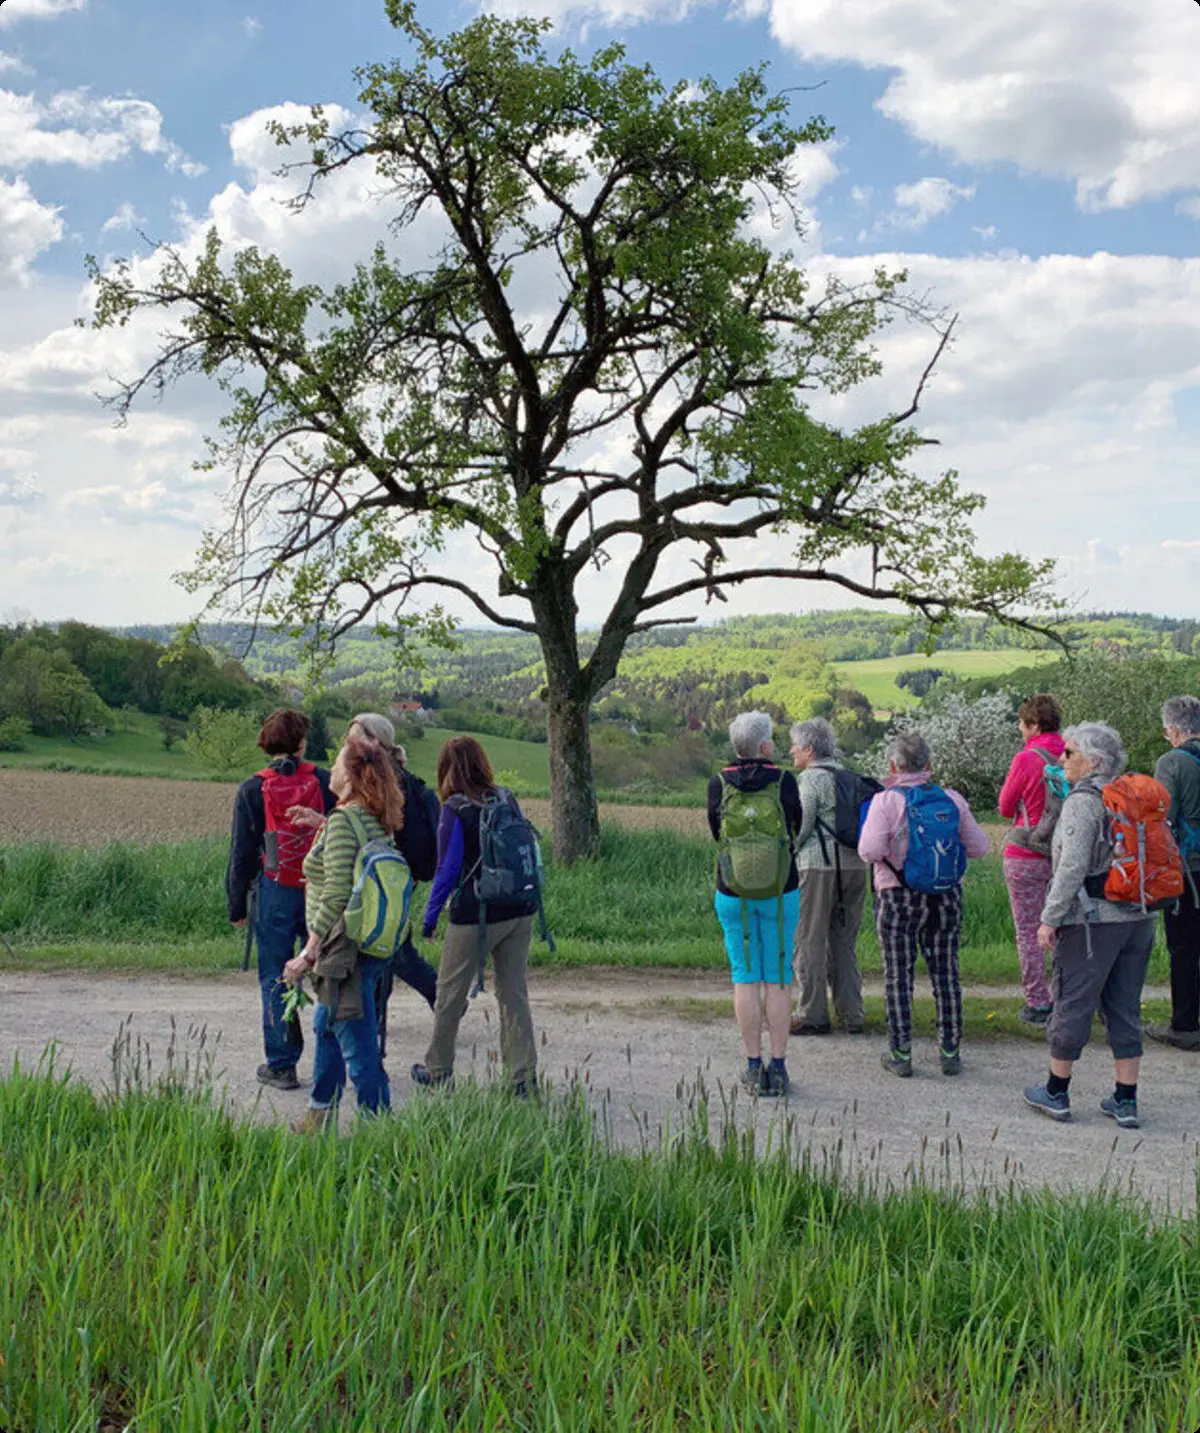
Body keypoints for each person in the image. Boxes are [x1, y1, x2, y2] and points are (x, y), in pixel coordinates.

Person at [1023, 723, 1157, 1128]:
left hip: (1093, 921)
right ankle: (1125, 1100)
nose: (1061, 760)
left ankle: (1057, 1091)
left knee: (1072, 1000)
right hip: (1140, 915)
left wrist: (1049, 919)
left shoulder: (1084, 802)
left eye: (1069, 753)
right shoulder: (1135, 796)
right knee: (1124, 1004)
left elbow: (1071, 866)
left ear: (1094, 761)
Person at [290, 712, 440, 1055]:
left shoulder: (380, 778)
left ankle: (374, 1037)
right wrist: (326, 824)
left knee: (386, 958)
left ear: (374, 742)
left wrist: (310, 948)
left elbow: (361, 834)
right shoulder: (386, 777)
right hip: (392, 881)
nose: (347, 744)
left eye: (353, 738)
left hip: (375, 887)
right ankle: (382, 1026)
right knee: (392, 956)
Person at [284, 738, 403, 1128]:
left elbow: (336, 890)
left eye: (337, 764)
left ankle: (380, 1129)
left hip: (340, 947)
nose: (330, 770)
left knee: (356, 1042)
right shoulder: (372, 818)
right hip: (367, 943)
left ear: (351, 776)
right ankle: (319, 1113)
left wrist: (308, 952)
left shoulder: (342, 821)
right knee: (327, 1026)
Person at [858, 731, 990, 1078]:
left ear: (893, 765)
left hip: (897, 896)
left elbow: (869, 851)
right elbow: (979, 848)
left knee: (897, 974)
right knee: (946, 972)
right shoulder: (952, 799)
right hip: (946, 895)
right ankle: (950, 1050)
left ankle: (901, 1054)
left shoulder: (885, 802)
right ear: (929, 765)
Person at [411, 737, 538, 1096]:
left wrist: (430, 918)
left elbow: (447, 870)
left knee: (449, 994)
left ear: (445, 768)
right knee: (514, 994)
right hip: (520, 908)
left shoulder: (455, 807)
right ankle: (522, 1080)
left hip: (476, 915)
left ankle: (438, 1070)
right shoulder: (506, 797)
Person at [226, 708, 335, 1092]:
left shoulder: (251, 789)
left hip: (274, 891)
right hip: (321, 890)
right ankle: (332, 1056)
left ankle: (282, 1065)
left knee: (275, 975)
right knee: (327, 969)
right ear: (302, 742)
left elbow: (241, 853)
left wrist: (236, 906)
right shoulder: (325, 781)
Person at [707, 711, 802, 1097]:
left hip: (733, 891)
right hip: (782, 890)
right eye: (773, 739)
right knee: (777, 977)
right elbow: (796, 826)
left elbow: (716, 831)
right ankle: (777, 1069)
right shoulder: (784, 781)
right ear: (764, 746)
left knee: (745, 977)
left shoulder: (718, 783)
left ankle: (751, 1065)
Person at [788, 717, 866, 1036]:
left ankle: (812, 1013)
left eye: (795, 744)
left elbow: (802, 825)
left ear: (808, 748)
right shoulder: (850, 777)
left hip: (818, 867)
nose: (791, 750)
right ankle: (852, 1014)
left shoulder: (809, 780)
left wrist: (787, 852)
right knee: (844, 941)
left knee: (809, 939)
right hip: (855, 867)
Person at [997, 694, 1066, 1026]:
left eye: (1022, 722)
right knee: (1065, 927)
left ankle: (1038, 1002)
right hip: (1064, 853)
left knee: (1029, 930)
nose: (1019, 728)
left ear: (1034, 726)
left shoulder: (1026, 758)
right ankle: (1067, 995)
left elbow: (1006, 807)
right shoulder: (1072, 752)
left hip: (1026, 851)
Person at [1147, 695, 1200, 1052]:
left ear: (1175, 730)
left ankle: (1184, 1026)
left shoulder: (1173, 762)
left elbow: (1160, 817)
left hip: (1189, 868)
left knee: (1184, 946)